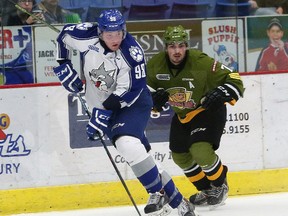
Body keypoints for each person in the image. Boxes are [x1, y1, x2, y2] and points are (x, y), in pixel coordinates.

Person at [53, 9, 198, 216]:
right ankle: (179, 202)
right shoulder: (85, 35)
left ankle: (156, 190)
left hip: (134, 103)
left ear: (124, 30)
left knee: (126, 144)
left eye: (119, 33)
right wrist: (63, 65)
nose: (115, 39)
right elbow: (63, 37)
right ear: (100, 32)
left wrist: (101, 114)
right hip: (103, 103)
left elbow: (133, 90)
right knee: (140, 153)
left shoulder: (132, 52)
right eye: (109, 35)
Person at [146, 25, 244, 209]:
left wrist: (221, 92)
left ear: (186, 46)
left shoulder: (200, 62)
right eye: (172, 46)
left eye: (181, 46)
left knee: (199, 149)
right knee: (180, 156)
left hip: (207, 110)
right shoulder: (154, 66)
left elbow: (234, 78)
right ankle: (208, 190)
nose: (177, 51)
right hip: (183, 114)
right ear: (166, 47)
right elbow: (145, 96)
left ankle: (220, 185)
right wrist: (154, 102)